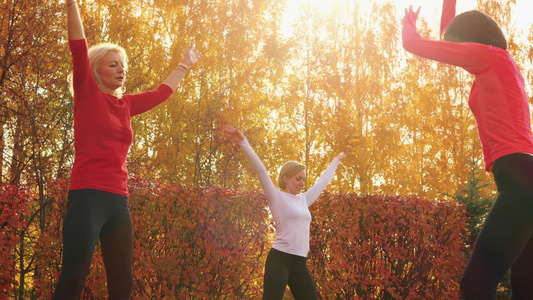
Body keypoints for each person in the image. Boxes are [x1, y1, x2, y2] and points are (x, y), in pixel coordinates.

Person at [53, 1, 201, 299]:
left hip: (118, 202)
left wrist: (184, 64)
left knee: (123, 285)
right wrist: (71, 3)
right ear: (96, 70)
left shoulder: (126, 105)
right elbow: (78, 45)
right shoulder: (87, 93)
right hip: (87, 196)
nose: (121, 69)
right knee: (74, 277)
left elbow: (162, 93)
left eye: (123, 65)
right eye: (113, 64)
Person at [402, 6, 533, 299]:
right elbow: (450, 40)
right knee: (525, 289)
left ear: (470, 37)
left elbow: (414, 44)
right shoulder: (502, 62)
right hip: (527, 178)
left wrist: (408, 22)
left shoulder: (488, 57)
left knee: (474, 286)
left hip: (519, 182)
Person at [222, 125, 346, 300]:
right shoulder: (276, 197)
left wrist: (337, 159)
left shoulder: (304, 199)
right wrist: (243, 142)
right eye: (298, 178)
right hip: (279, 260)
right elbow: (261, 171)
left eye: (304, 179)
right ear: (286, 178)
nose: (302, 183)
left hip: (299, 263)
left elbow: (323, 182)